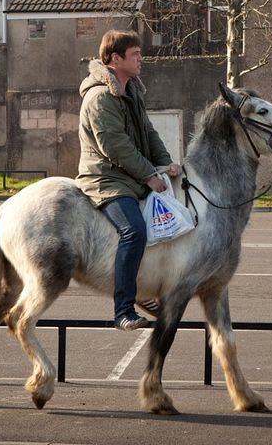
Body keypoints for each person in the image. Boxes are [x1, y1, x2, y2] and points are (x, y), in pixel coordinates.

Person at [77, 29, 182, 331]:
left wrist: (165, 164)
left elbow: (148, 134)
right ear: (114, 58)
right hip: (106, 179)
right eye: (135, 54)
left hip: (129, 176)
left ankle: (148, 291)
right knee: (134, 231)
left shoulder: (131, 91)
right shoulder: (100, 97)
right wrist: (149, 175)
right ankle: (124, 309)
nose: (141, 59)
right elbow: (115, 146)